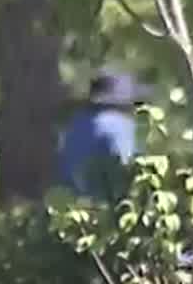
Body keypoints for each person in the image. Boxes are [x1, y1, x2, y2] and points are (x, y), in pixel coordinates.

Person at [57, 68, 146, 199]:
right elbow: (128, 172)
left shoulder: (75, 124)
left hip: (70, 207)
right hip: (108, 209)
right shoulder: (124, 127)